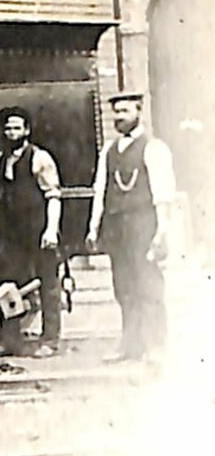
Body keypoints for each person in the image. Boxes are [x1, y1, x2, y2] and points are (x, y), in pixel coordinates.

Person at [0, 106, 65, 357]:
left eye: (17, 128)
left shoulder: (40, 158)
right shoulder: (0, 159)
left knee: (48, 285)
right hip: (12, 233)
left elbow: (53, 196)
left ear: (26, 131)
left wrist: (51, 230)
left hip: (39, 230)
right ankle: (10, 340)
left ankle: (50, 340)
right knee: (7, 285)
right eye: (7, 128)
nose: (11, 133)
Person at [85, 92, 176, 365]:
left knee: (148, 285)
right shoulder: (109, 151)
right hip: (117, 227)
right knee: (123, 286)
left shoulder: (154, 148)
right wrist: (93, 228)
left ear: (139, 112)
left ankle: (156, 346)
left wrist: (161, 230)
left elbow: (162, 192)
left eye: (124, 111)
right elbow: (100, 190)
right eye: (116, 112)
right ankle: (131, 345)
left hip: (143, 224)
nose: (119, 117)